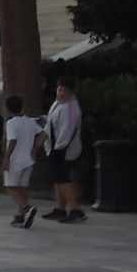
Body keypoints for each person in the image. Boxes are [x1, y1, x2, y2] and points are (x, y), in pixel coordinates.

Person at [43, 77, 87, 223]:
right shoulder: (58, 104)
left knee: (63, 179)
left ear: (70, 92)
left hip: (64, 150)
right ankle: (60, 208)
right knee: (57, 179)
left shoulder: (71, 108)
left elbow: (67, 130)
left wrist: (59, 149)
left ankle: (75, 209)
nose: (60, 92)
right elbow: (50, 124)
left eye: (64, 90)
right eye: (59, 89)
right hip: (53, 147)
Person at [1, 94, 43, 229]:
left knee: (11, 187)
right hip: (28, 160)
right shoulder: (30, 121)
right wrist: (34, 149)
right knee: (22, 188)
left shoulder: (11, 123)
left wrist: (6, 158)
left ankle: (26, 208)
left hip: (15, 160)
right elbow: (43, 134)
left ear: (8, 109)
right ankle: (21, 216)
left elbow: (12, 141)